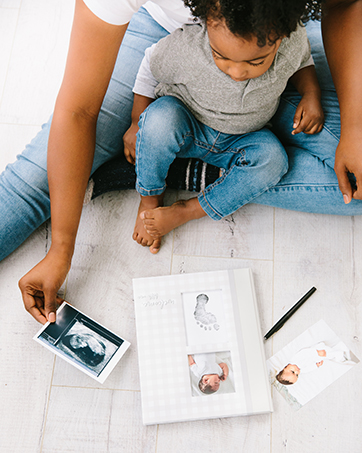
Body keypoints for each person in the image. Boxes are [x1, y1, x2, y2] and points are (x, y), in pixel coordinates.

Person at [2, 0, 360, 324]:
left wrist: (354, 128)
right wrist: (62, 248)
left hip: (270, 38)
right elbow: (78, 111)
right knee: (36, 183)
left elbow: (343, 7)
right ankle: (156, 151)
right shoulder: (177, 47)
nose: (234, 72)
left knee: (353, 185)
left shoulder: (283, 38)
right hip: (166, 40)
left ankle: (169, 162)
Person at [126, 7, 323, 250]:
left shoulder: (292, 41)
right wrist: (137, 121)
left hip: (241, 139)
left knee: (274, 160)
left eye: (256, 61)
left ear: (280, 38)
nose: (237, 72)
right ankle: (150, 199)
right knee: (158, 120)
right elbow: (150, 65)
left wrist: (311, 94)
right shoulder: (189, 47)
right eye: (221, 56)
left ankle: (188, 210)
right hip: (187, 124)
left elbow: (303, 60)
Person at [276, 342, 349, 385]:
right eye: (297, 375)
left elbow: (305, 353)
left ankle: (340, 353)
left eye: (292, 372)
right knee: (327, 356)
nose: (297, 371)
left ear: (285, 367)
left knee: (328, 353)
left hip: (316, 350)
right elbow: (309, 369)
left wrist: (316, 352)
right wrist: (316, 365)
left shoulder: (295, 360)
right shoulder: (301, 370)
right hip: (317, 358)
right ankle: (338, 353)